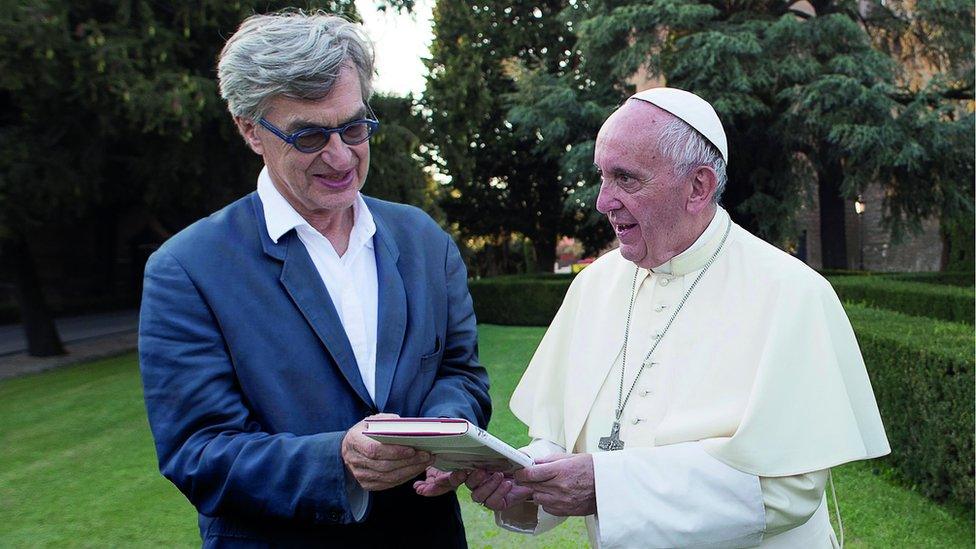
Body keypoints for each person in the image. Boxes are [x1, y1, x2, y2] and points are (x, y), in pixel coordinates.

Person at [458, 88, 890, 548]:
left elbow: (788, 490)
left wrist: (607, 487)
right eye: (602, 177)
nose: (604, 202)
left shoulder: (791, 292)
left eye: (626, 179)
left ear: (698, 187)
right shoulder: (593, 286)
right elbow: (561, 440)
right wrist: (525, 477)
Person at [138, 11, 490, 547]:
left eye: (353, 127)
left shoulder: (423, 239)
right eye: (308, 136)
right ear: (250, 130)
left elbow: (460, 373)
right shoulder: (187, 269)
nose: (341, 155)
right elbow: (199, 451)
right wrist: (339, 461)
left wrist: (441, 435)